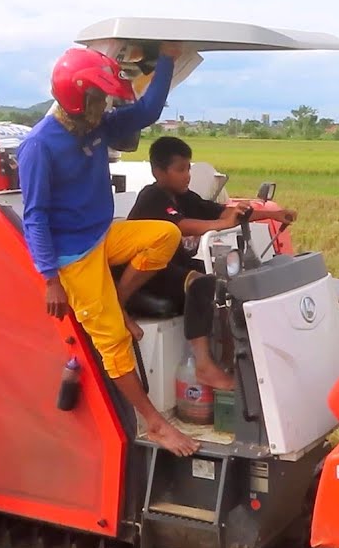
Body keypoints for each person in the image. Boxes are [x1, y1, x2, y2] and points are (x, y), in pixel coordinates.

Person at [18, 41, 199, 457]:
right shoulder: (40, 146)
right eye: (98, 98)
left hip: (101, 234)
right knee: (114, 342)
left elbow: (146, 113)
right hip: (72, 257)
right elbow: (35, 218)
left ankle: (117, 300)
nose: (105, 107)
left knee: (164, 236)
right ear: (76, 98)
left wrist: (168, 59)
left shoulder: (92, 124)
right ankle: (154, 424)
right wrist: (51, 281)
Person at [127, 137, 298, 389]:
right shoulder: (151, 197)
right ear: (158, 172)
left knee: (229, 279)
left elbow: (221, 212)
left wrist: (271, 214)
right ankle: (204, 366)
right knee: (201, 283)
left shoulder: (184, 197)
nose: (187, 175)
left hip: (170, 268)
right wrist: (221, 225)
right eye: (180, 169)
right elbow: (179, 225)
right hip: (146, 273)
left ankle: (232, 356)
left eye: (189, 168)